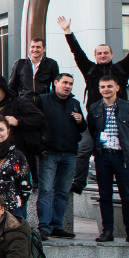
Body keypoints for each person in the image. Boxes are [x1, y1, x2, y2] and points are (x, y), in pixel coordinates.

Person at [58, 13, 129, 193]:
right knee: (83, 151)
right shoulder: (89, 70)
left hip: (120, 120)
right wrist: (67, 31)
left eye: (106, 53)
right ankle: (78, 183)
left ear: (112, 54)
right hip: (96, 121)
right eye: (99, 53)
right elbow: (76, 51)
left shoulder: (121, 68)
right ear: (95, 56)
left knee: (126, 155)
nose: (103, 55)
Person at [87, 75, 129, 244]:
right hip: (103, 156)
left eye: (109, 86)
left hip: (122, 157)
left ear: (117, 88)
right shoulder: (94, 108)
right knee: (105, 196)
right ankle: (107, 231)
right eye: (103, 86)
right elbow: (92, 131)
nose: (106, 89)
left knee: (127, 196)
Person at [37, 73, 86, 238]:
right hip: (49, 153)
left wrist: (80, 121)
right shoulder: (42, 100)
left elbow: (82, 129)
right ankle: (44, 227)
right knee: (45, 190)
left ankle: (57, 226)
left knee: (63, 192)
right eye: (65, 82)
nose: (68, 86)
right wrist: (40, 146)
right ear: (55, 82)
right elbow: (34, 125)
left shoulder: (75, 103)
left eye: (71, 84)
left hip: (70, 154)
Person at [0, 75, 46, 167]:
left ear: (4, 90)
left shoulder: (19, 103)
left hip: (18, 156)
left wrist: (18, 121)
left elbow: (39, 118)